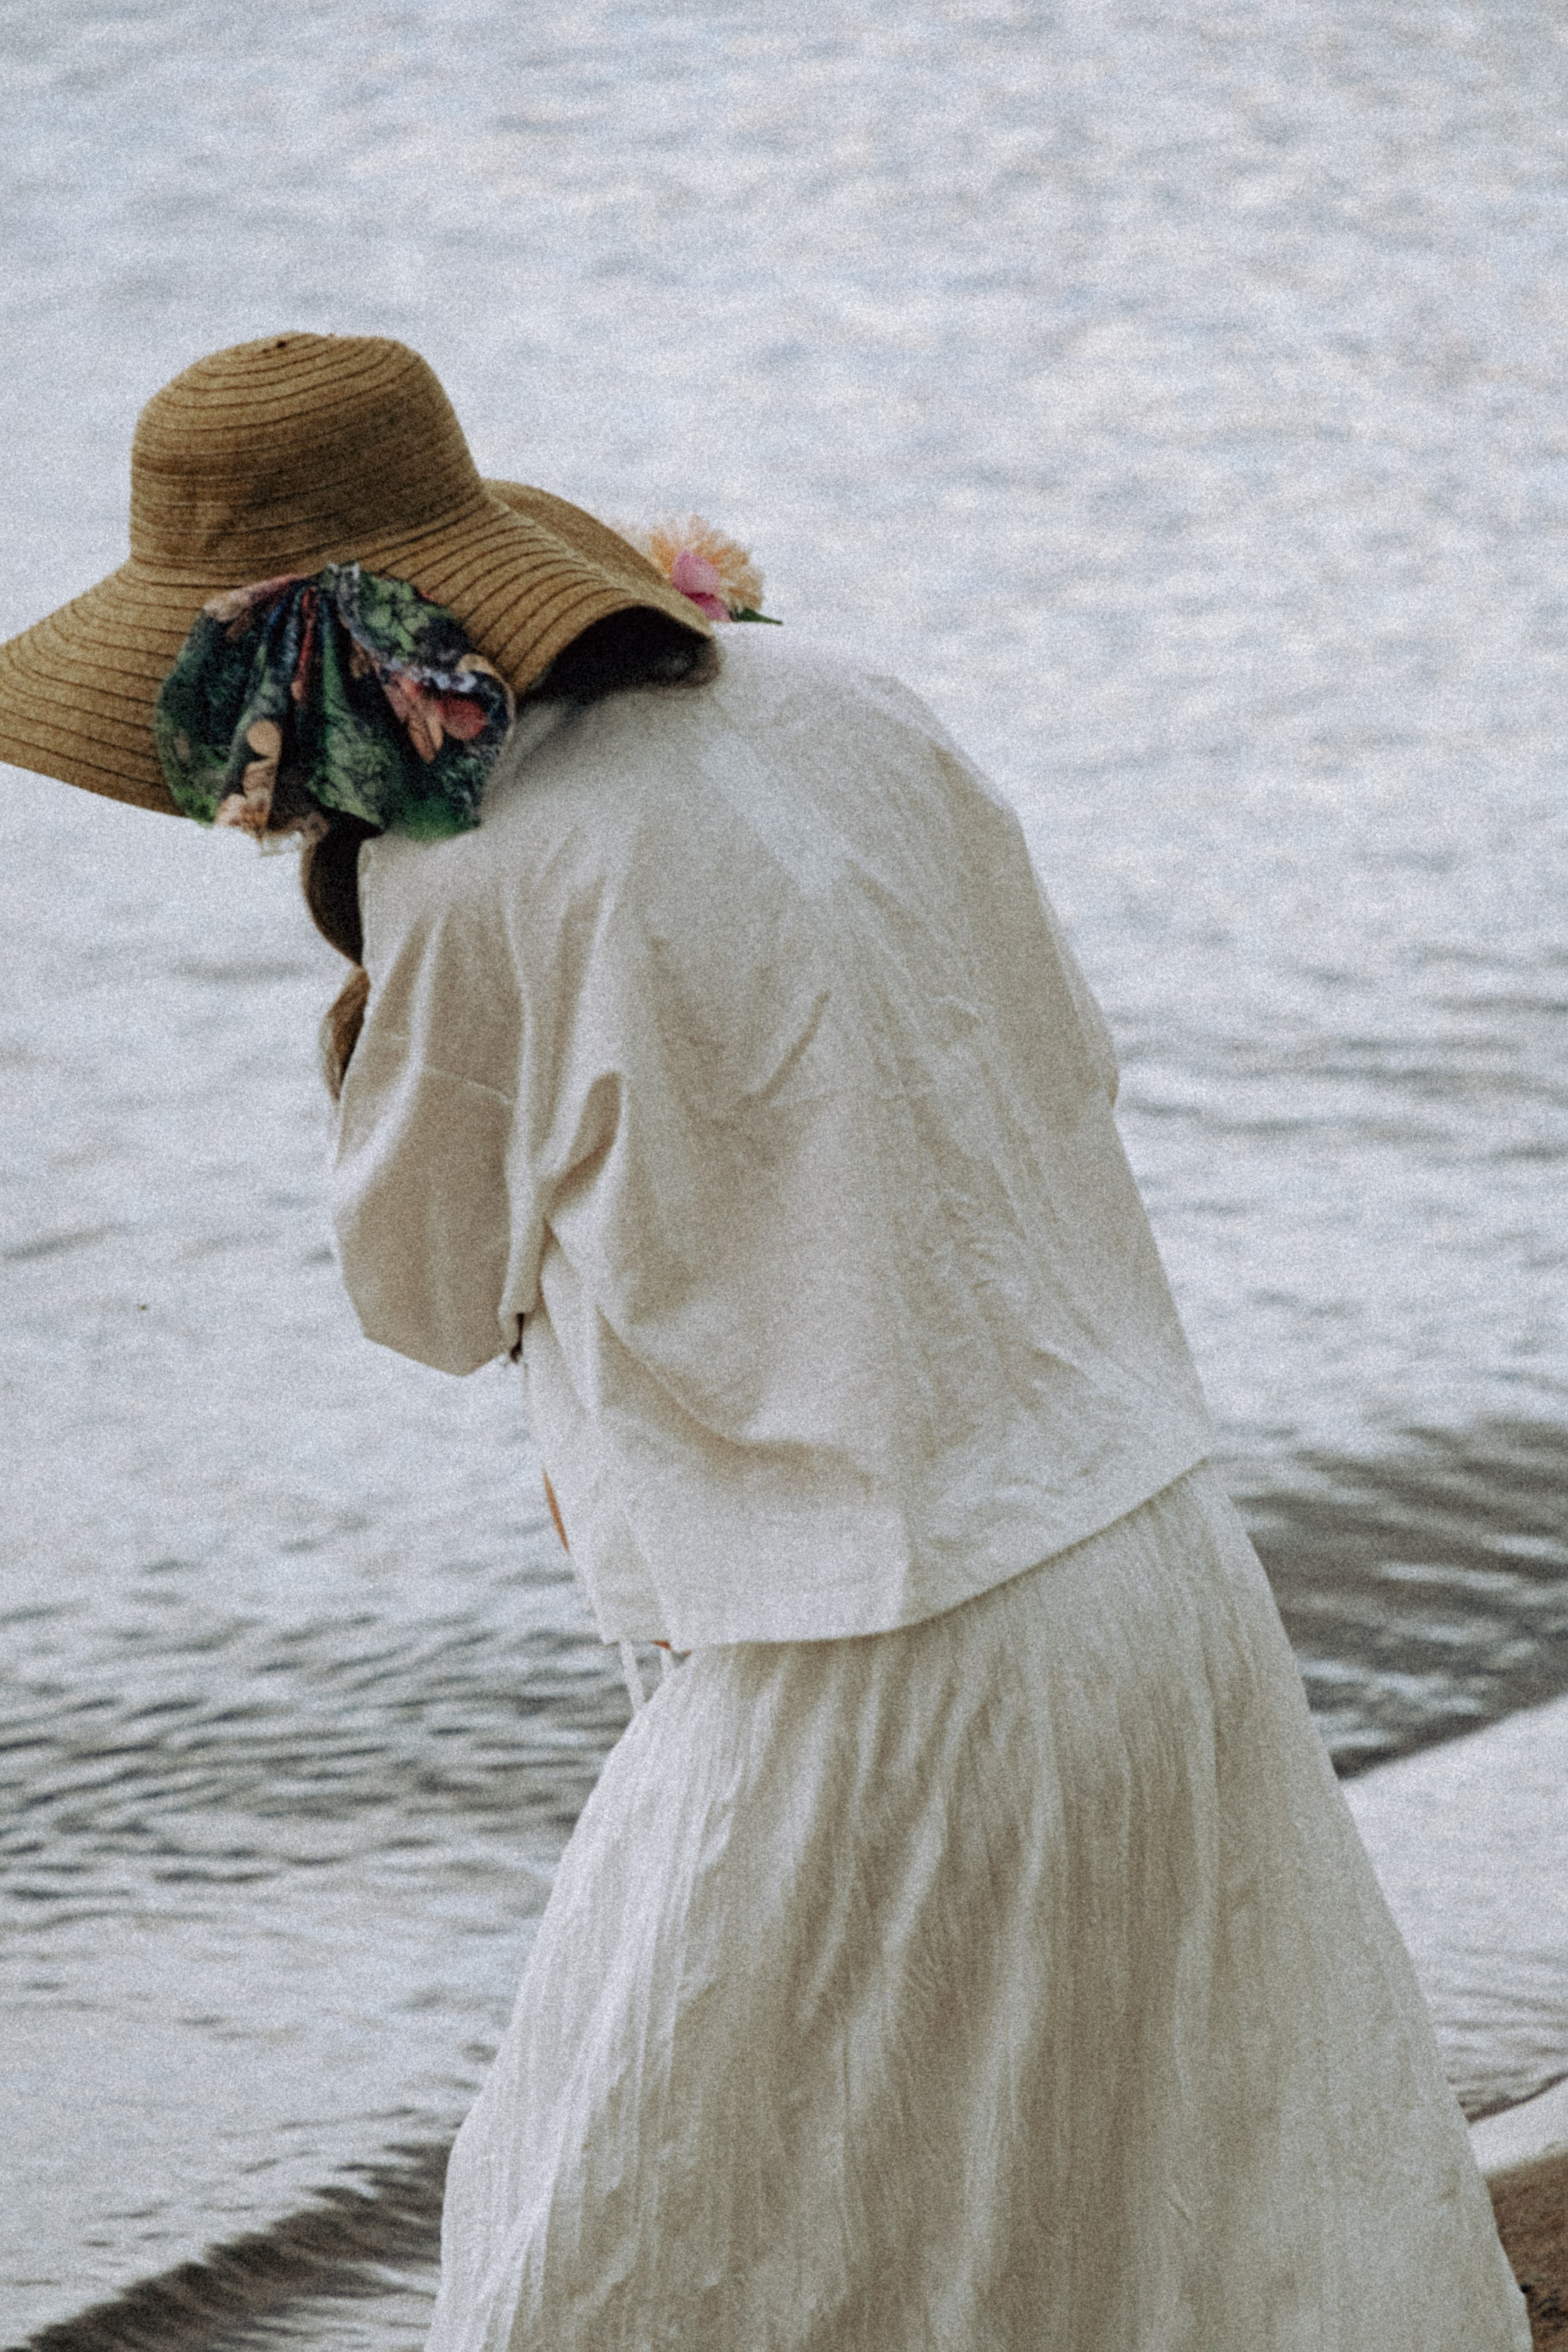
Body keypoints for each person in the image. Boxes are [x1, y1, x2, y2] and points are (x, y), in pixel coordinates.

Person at [0, 333, 1530, 2352]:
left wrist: (364, 974)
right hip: (1154, 1579)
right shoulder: (848, 702)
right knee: (1164, 2221)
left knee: (619, 2255)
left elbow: (425, 1295)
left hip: (872, 1665)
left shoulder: (475, 883)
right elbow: (1057, 1062)